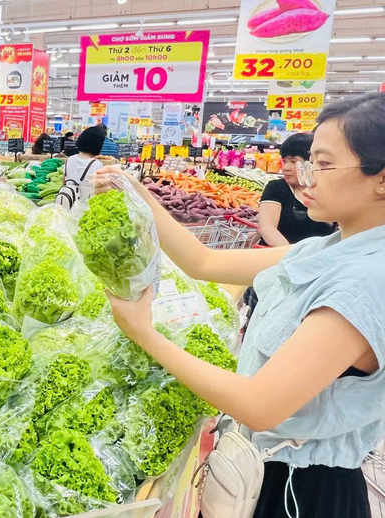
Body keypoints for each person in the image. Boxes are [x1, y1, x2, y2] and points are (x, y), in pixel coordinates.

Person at [97, 94, 385, 518]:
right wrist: (135, 192)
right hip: (260, 471)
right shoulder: (326, 249)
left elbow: (259, 405)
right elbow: (204, 262)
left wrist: (143, 333)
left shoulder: (365, 281)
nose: (307, 178)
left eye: (324, 164)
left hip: (300, 493)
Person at [258, 133, 335, 246]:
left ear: (311, 163)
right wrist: (292, 255)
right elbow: (267, 227)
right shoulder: (277, 188)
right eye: (284, 161)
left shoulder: (327, 190)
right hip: (279, 256)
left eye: (293, 162)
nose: (285, 168)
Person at [55, 126, 105, 208]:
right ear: (98, 145)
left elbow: (64, 181)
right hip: (84, 207)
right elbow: (98, 190)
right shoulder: (97, 165)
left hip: (67, 203)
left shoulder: (70, 159)